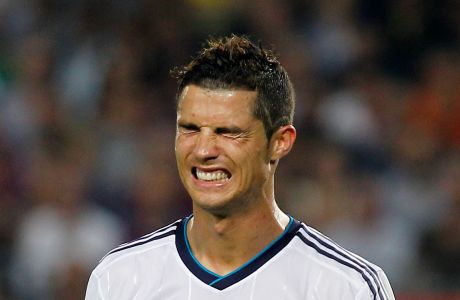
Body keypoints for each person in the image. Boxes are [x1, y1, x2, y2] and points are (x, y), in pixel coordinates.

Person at [85, 35, 395, 300]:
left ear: (280, 142)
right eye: (190, 129)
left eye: (228, 132)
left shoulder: (346, 288)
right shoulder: (121, 279)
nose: (204, 150)